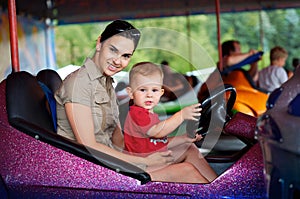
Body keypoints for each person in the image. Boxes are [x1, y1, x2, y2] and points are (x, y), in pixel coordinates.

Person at [55, 20, 211, 183]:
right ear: (99, 43)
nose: (117, 61)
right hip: (92, 170)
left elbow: (118, 141)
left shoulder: (105, 83)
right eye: (113, 50)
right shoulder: (79, 84)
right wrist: (145, 161)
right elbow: (88, 146)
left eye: (125, 56)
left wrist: (154, 149)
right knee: (186, 171)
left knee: (189, 149)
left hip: (111, 161)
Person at [124, 62, 217, 182]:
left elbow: (158, 143)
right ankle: (214, 194)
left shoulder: (149, 114)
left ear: (161, 93)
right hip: (143, 167)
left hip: (153, 159)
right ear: (131, 93)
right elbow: (157, 132)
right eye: (143, 90)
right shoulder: (137, 113)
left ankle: (217, 185)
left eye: (154, 90)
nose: (149, 95)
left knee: (189, 147)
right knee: (186, 170)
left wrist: (183, 138)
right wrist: (181, 115)